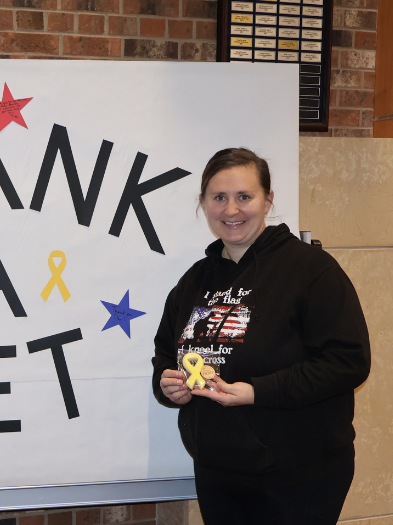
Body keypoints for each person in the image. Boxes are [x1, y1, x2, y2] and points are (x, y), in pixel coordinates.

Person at [151, 148, 371, 524]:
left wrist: (258, 392)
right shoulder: (194, 281)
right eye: (219, 197)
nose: (231, 210)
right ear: (203, 203)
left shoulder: (311, 271)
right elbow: (165, 356)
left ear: (267, 200)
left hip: (299, 478)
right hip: (218, 475)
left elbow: (348, 362)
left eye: (244, 197)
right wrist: (168, 385)